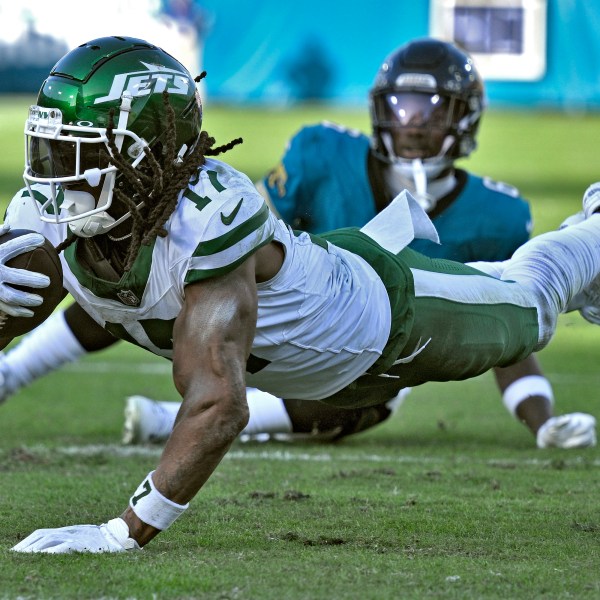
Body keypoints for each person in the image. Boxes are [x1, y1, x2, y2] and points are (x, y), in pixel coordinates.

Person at [4, 36, 600, 553]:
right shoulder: (45, 215)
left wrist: (124, 531)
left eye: (74, 153)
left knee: (531, 306)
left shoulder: (206, 219)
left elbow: (219, 405)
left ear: (144, 155)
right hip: (310, 377)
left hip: (381, 320)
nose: (52, 177)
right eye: (46, 149)